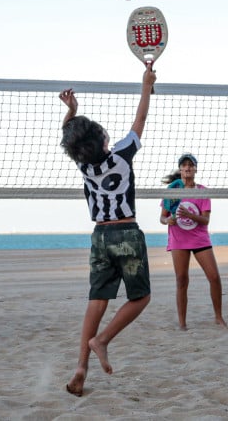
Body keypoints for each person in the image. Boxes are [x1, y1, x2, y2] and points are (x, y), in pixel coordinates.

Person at [60, 63, 156, 397]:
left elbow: (70, 141)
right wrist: (146, 85)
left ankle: (80, 367)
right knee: (140, 297)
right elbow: (140, 119)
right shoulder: (122, 156)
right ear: (103, 139)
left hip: (100, 236)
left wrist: (71, 113)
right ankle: (102, 340)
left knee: (97, 300)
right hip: (127, 233)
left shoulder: (83, 164)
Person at [160, 153, 228, 331]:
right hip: (178, 239)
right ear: (180, 169)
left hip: (199, 238)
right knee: (181, 280)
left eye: (191, 165)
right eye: (184, 165)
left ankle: (218, 317)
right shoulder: (172, 191)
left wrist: (190, 215)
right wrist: (168, 221)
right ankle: (182, 324)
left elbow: (206, 220)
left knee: (214, 277)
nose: (188, 168)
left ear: (195, 169)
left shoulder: (202, 191)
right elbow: (162, 217)